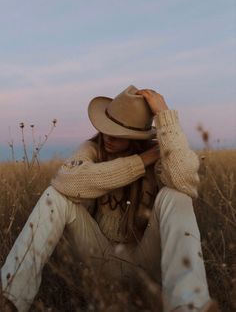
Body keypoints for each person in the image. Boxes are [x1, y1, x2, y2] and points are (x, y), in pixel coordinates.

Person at [0, 85, 219, 312]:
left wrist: (164, 115)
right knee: (54, 196)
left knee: (176, 196)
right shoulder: (93, 149)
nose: (108, 138)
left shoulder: (161, 157)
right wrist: (140, 161)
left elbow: (185, 182)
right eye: (106, 129)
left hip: (146, 260)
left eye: (118, 134)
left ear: (136, 136)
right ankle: (9, 300)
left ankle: (189, 305)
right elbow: (66, 182)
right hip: (100, 256)